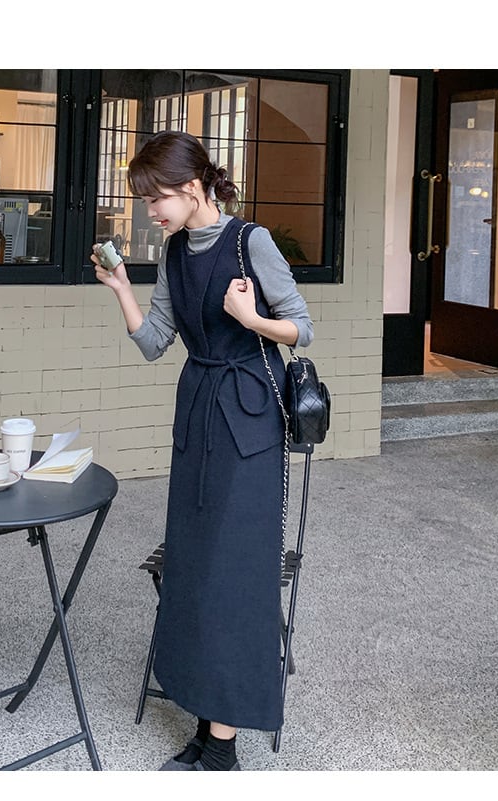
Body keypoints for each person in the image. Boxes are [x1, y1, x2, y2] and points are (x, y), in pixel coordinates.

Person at [92, 130, 314, 771]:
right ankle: (204, 721)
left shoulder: (251, 242)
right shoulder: (174, 252)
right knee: (192, 568)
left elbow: (301, 326)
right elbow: (155, 342)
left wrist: (251, 320)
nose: (149, 212)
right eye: (145, 201)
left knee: (233, 574)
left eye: (154, 198)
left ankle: (222, 745)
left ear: (192, 188)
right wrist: (121, 289)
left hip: (250, 424)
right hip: (197, 416)